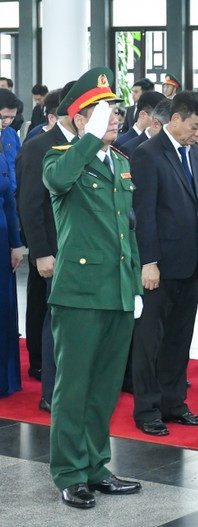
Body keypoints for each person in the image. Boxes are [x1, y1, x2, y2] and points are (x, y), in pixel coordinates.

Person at [42, 67, 143, 508]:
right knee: (74, 387)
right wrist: (87, 140)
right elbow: (58, 181)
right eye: (103, 112)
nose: (115, 118)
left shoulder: (120, 161)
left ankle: (96, 465)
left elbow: (127, 231)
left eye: (116, 110)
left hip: (118, 290)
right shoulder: (60, 157)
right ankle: (69, 472)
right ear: (80, 119)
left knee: (103, 388)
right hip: (79, 293)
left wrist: (135, 284)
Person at [131, 90, 198, 436]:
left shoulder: (195, 154)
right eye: (196, 126)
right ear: (176, 119)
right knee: (150, 340)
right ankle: (148, 408)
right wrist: (147, 261)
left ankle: (174, 403)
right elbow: (143, 214)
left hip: (191, 262)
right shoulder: (147, 154)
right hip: (159, 266)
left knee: (180, 338)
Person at [15, 83, 76, 411]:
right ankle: (53, 395)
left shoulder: (87, 147)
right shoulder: (40, 146)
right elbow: (30, 204)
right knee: (58, 324)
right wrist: (40, 251)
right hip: (55, 249)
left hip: (86, 252)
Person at [0, 96, 22, 399]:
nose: (6, 124)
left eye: (9, 118)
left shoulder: (8, 138)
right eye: (2, 117)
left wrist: (17, 243)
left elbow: (10, 196)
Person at [0, 89, 20, 189]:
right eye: (4, 117)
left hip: (11, 194)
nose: (7, 121)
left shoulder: (12, 134)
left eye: (12, 117)